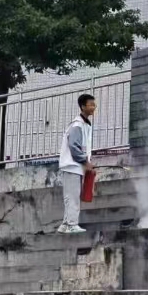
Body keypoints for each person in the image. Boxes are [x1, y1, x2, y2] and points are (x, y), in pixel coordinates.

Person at [57, 93, 96, 233]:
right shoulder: (77, 125)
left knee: (71, 196)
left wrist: (86, 162)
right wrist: (85, 161)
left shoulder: (83, 124)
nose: (94, 107)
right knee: (72, 197)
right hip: (72, 166)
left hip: (75, 167)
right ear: (82, 106)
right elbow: (74, 146)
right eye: (91, 104)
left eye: (94, 104)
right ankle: (72, 224)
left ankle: (65, 224)